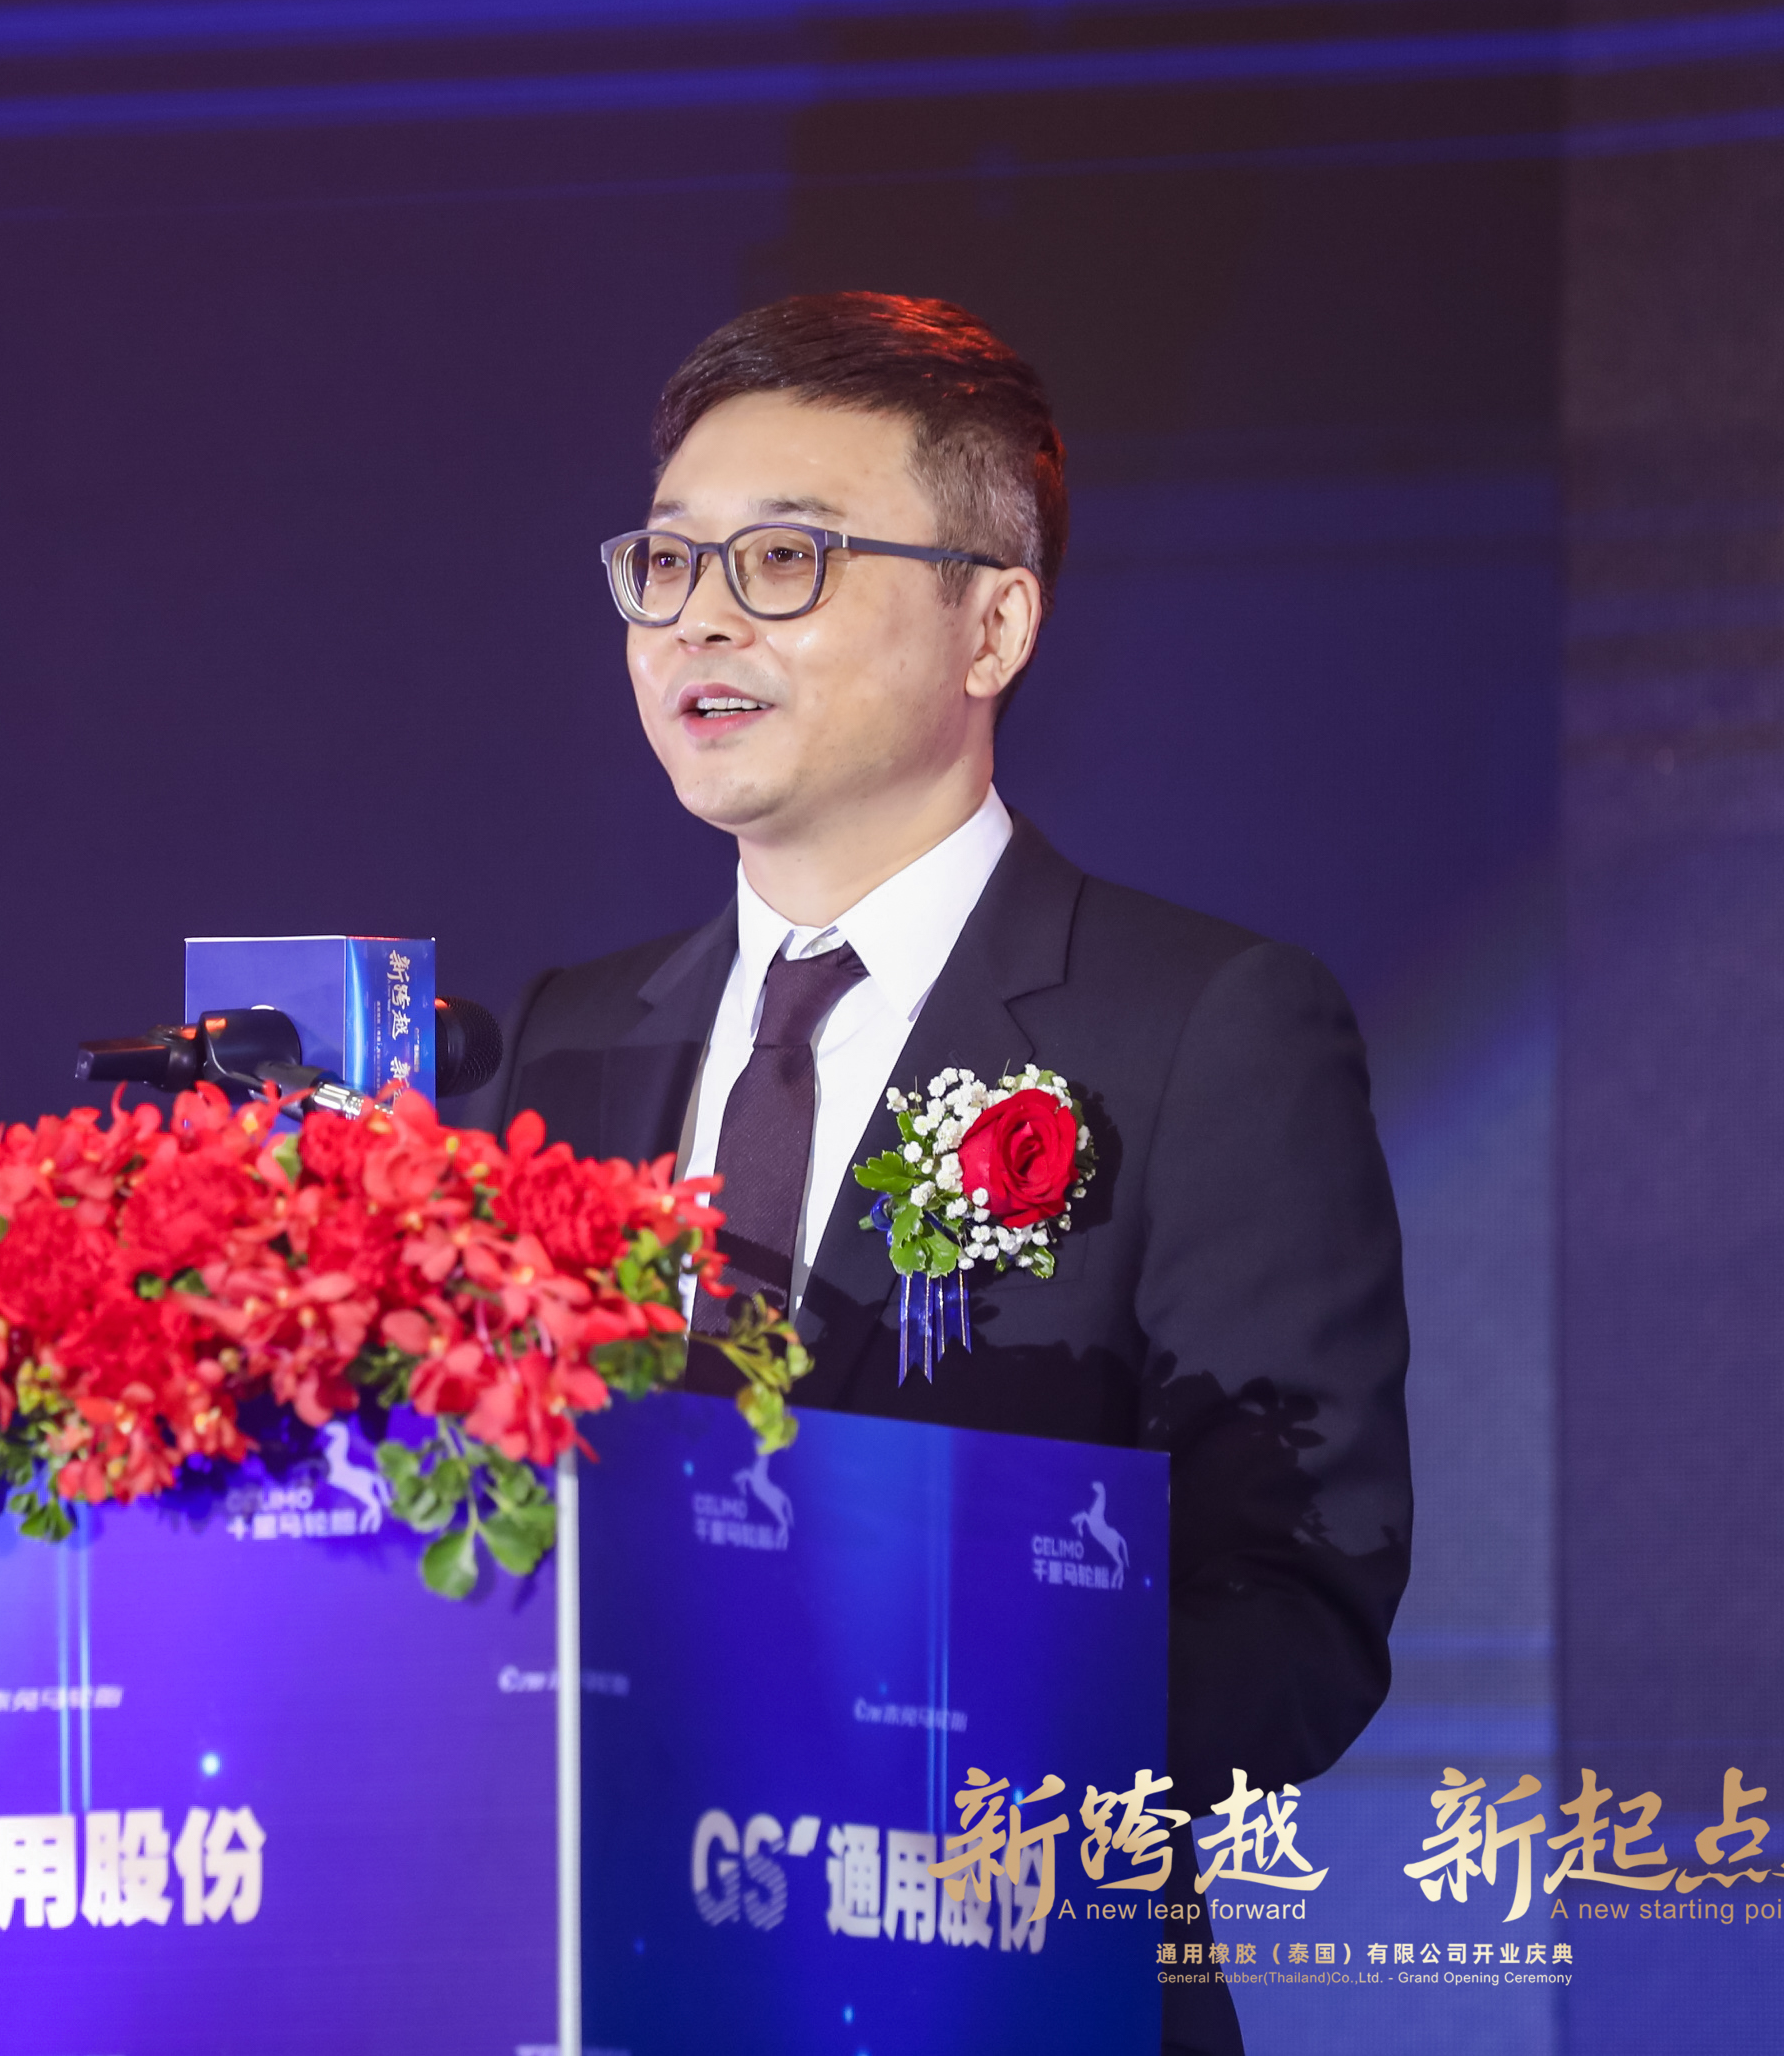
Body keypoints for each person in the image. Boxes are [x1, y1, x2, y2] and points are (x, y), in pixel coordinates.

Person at [463, 293, 1412, 2056]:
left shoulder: (1200, 1025)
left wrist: (919, 1764)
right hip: (613, 1984)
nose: (699, 620)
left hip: (990, 1984)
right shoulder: (569, 1038)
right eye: (665, 563)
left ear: (994, 623)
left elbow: (1298, 1601)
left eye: (786, 560)